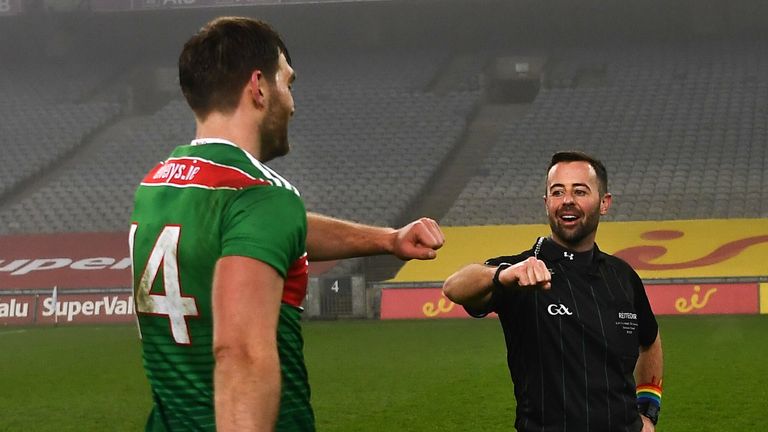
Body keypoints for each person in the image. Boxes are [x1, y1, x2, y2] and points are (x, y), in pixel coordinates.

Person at [129, 17, 444, 432]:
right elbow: (239, 352)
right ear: (258, 87)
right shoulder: (261, 196)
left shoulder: (157, 186)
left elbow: (266, 232)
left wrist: (387, 239)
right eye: (288, 84)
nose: (292, 102)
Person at [442, 151, 663, 432]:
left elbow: (650, 340)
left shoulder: (622, 276)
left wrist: (648, 412)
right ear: (547, 204)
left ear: (604, 203)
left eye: (580, 191)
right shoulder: (522, 272)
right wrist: (503, 274)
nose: (567, 200)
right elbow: (455, 287)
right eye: (557, 192)